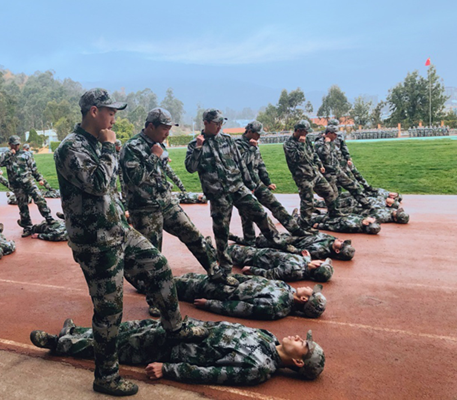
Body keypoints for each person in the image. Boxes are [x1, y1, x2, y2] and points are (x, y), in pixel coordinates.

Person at [54, 88, 209, 396]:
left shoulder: (97, 143)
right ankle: (106, 377)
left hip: (118, 230)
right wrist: (109, 147)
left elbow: (110, 189)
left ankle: (175, 328)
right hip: (96, 244)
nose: (114, 118)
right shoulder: (71, 147)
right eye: (111, 112)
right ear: (94, 111)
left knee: (159, 267)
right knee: (109, 311)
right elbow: (98, 184)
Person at [121, 107, 238, 316]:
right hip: (145, 209)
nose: (167, 133)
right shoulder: (131, 147)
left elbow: (161, 173)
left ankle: (216, 273)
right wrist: (154, 157)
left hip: (166, 203)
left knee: (193, 235)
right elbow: (135, 178)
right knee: (153, 256)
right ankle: (155, 299)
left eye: (169, 128)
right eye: (164, 129)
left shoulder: (159, 145)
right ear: (150, 126)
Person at [31, 318, 325, 385]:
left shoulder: (259, 368)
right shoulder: (267, 337)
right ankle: (75, 332)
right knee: (125, 328)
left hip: (174, 350)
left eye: (304, 344)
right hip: (182, 330)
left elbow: (211, 374)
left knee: (119, 346)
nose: (299, 337)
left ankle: (59, 344)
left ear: (298, 362)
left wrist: (168, 369)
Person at [185, 109, 289, 274]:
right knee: (221, 232)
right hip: (218, 194)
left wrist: (250, 184)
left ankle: (279, 244)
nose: (219, 126)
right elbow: (190, 168)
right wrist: (198, 148)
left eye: (221, 123)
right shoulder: (194, 145)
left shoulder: (227, 140)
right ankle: (225, 268)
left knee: (260, 214)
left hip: (238, 188)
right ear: (206, 123)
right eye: (216, 123)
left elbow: (240, 163)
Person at [236, 120, 311, 240]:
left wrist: (267, 182)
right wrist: (251, 149)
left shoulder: (254, 144)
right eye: (258, 134)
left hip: (257, 183)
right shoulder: (237, 145)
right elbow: (241, 164)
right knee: (247, 214)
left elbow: (260, 164)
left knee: (276, 205)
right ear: (249, 132)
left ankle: (295, 229)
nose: (259, 136)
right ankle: (249, 239)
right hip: (243, 186)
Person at [175, 273, 326, 320]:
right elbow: (261, 280)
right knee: (187, 276)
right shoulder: (289, 290)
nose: (308, 287)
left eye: (310, 291)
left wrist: (209, 304)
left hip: (218, 292)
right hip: (229, 280)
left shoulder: (275, 307)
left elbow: (240, 308)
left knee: (174, 284)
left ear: (304, 299)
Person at [283, 120, 341, 228]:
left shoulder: (307, 140)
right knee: (307, 201)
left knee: (329, 192)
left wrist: (319, 164)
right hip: (302, 177)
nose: (307, 133)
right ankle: (304, 225)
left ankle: (334, 215)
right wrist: (301, 144)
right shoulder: (288, 144)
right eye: (305, 131)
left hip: (315, 173)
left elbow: (313, 154)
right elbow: (296, 159)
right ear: (299, 130)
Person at [0, 135, 56, 237]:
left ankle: (49, 218)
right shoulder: (6, 155)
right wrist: (9, 153)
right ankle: (27, 227)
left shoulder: (26, 154)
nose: (16, 146)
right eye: (14, 144)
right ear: (9, 144)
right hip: (17, 185)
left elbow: (33, 168)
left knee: (39, 199)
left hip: (28, 182)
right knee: (22, 206)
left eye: (17, 144)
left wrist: (39, 179)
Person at [313, 125, 372, 210]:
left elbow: (337, 155)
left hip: (338, 170)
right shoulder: (319, 143)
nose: (336, 136)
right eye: (334, 134)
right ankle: (335, 213)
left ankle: (366, 204)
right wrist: (327, 143)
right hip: (329, 174)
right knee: (334, 195)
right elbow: (325, 155)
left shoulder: (333, 142)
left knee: (353, 186)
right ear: (329, 133)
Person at [229, 244, 334, 282]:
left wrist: (252, 270)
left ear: (317, 265)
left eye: (321, 262)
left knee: (228, 250)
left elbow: (271, 274)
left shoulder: (294, 270)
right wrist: (307, 258)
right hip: (261, 253)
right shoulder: (305, 266)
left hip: (253, 257)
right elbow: (306, 267)